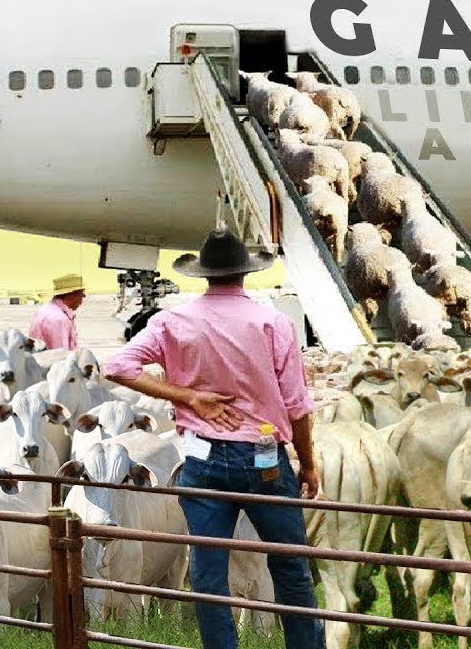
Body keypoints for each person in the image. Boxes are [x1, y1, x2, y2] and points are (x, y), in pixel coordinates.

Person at [103, 229, 322, 649]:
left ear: (204, 275)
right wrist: (307, 462)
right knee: (291, 566)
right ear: (245, 273)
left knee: (207, 572)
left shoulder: (173, 321)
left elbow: (118, 367)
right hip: (265, 460)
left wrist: (188, 397)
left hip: (202, 458)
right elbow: (296, 404)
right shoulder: (272, 322)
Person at [28, 273, 85, 350]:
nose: (83, 298)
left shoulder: (46, 309)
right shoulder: (58, 319)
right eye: (81, 294)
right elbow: (61, 356)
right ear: (72, 295)